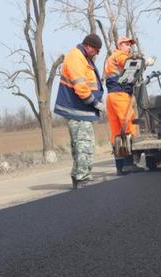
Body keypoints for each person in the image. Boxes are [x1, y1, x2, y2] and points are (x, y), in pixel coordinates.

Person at [54, 34, 106, 189]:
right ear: (89, 46)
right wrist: (96, 103)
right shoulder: (76, 57)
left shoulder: (83, 57)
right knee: (84, 146)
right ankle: (83, 179)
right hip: (77, 109)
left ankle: (79, 177)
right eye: (96, 50)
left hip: (82, 110)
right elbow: (81, 87)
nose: (96, 54)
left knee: (80, 145)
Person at [104, 36, 143, 175]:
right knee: (127, 127)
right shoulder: (121, 55)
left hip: (110, 97)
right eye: (126, 44)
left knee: (115, 132)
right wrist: (141, 60)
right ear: (120, 45)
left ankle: (119, 166)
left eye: (130, 44)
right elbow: (129, 63)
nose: (129, 47)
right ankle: (129, 163)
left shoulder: (109, 59)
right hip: (120, 95)